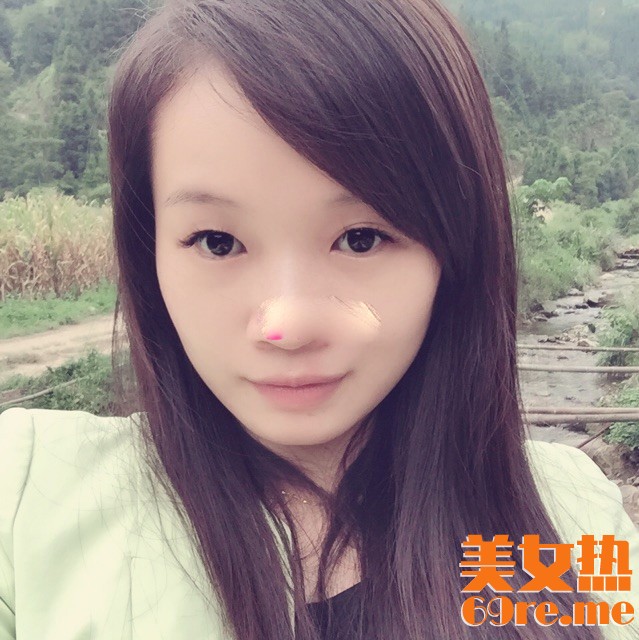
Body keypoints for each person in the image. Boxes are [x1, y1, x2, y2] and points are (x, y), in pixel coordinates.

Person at [0, 0, 637, 639]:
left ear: (456, 248)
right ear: (149, 250)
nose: (288, 326)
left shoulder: (572, 513)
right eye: (218, 242)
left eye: (361, 239)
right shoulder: (27, 499)